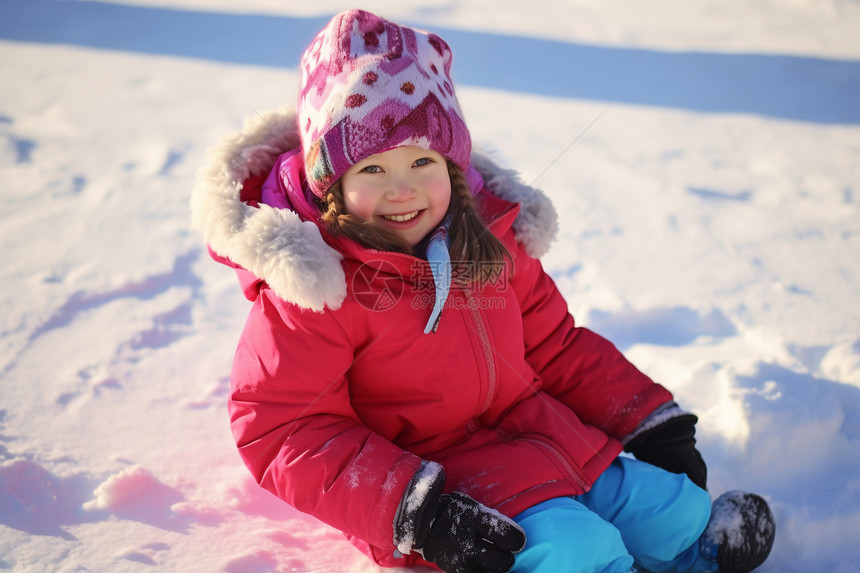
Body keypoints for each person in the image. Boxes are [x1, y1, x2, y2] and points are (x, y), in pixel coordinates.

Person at [191, 9, 775, 573]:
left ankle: (697, 550)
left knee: (671, 509)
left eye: (423, 160)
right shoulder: (316, 288)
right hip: (448, 489)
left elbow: (556, 345)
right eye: (372, 169)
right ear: (331, 184)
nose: (403, 189)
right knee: (574, 550)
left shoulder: (490, 242)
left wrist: (648, 418)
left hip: (545, 436)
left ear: (452, 166)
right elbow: (285, 428)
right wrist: (418, 513)